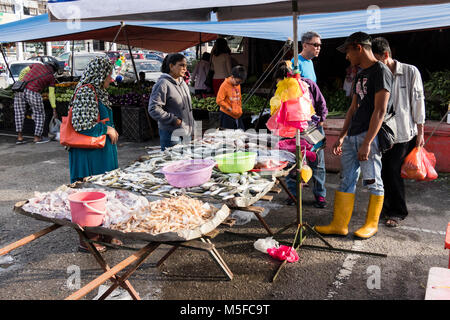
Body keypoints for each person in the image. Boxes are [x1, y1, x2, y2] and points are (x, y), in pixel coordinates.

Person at [314, 32, 393, 239]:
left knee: (373, 181)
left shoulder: (381, 72)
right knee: (345, 180)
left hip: (369, 136)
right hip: (352, 136)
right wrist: (341, 136)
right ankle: (339, 225)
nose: (346, 56)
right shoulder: (360, 74)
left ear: (358, 47)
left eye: (348, 51)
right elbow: (352, 108)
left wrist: (367, 143)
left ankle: (371, 225)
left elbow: (380, 111)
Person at [371, 37, 426, 228]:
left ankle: (398, 211)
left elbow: (418, 103)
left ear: (386, 55)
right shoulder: (378, 72)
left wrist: (421, 133)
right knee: (383, 171)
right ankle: (386, 208)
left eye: (377, 59)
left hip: (403, 133)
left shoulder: (410, 72)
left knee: (393, 170)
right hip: (383, 132)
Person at [68, 56, 121, 252]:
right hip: (89, 154)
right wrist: (106, 130)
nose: (111, 79)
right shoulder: (86, 92)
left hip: (101, 153)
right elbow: (81, 125)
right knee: (90, 193)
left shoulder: (98, 92)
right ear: (100, 75)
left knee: (105, 191)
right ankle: (88, 239)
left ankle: (105, 234)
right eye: (109, 75)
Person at [274, 62, 328, 208]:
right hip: (290, 132)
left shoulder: (308, 84)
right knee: (292, 164)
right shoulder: (280, 90)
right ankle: (294, 195)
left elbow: (321, 103)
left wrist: (321, 120)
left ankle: (320, 196)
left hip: (312, 129)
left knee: (317, 164)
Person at [148, 53, 194, 151]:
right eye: (181, 65)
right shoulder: (163, 84)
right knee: (173, 163)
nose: (185, 69)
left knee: (186, 163)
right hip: (171, 134)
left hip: (186, 132)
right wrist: (173, 119)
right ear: (171, 66)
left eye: (186, 66)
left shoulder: (183, 83)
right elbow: (153, 109)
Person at [14, 61, 58, 144]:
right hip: (33, 92)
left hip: (20, 90)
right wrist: (54, 108)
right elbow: (51, 94)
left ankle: (19, 137)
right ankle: (37, 138)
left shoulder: (37, 65)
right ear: (53, 70)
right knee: (39, 114)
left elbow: (23, 71)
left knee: (19, 113)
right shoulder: (51, 77)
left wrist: (21, 82)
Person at [216, 65, 247, 130]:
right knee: (228, 137)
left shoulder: (238, 85)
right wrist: (230, 109)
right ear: (232, 77)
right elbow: (219, 100)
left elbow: (239, 98)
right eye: (237, 82)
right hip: (226, 115)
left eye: (240, 82)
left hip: (237, 115)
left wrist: (239, 109)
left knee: (240, 135)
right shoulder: (224, 85)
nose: (238, 84)